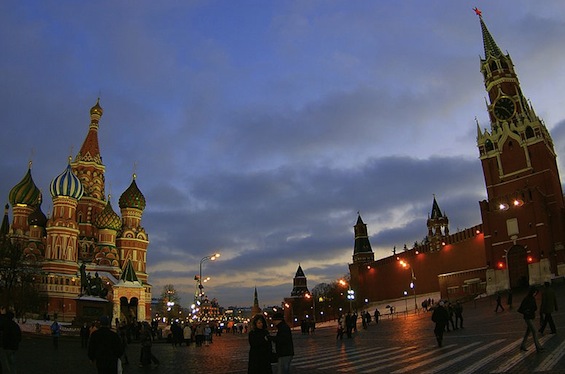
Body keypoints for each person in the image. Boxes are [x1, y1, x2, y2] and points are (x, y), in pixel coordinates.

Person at [518, 287, 543, 353]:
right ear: (532, 292)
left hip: (532, 317)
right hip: (527, 318)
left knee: (528, 332)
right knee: (535, 331)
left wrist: (533, 309)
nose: (535, 294)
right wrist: (527, 311)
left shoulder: (533, 298)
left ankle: (523, 345)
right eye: (534, 292)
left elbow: (535, 307)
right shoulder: (526, 299)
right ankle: (538, 347)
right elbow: (520, 309)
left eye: (536, 293)